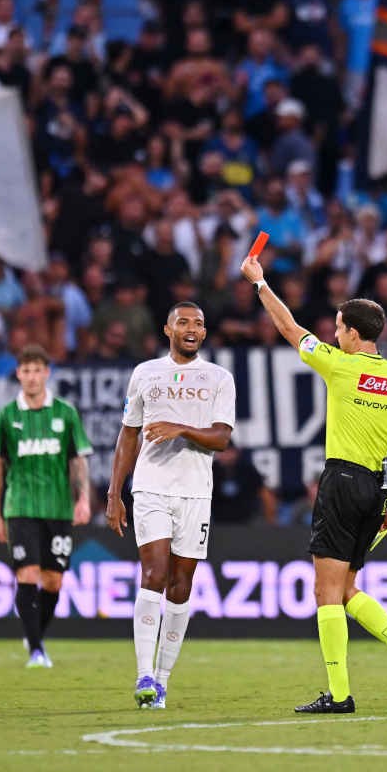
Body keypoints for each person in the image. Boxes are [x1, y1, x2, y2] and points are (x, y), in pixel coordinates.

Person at [241, 251, 387, 714]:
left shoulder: (341, 365)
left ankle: (341, 695)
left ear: (353, 333)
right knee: (345, 590)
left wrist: (260, 284)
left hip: (341, 482)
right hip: (376, 489)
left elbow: (288, 328)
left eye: (338, 327)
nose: (333, 334)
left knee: (325, 593)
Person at [106, 303, 236, 709]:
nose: (192, 328)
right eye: (184, 322)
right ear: (168, 329)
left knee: (181, 587)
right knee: (154, 574)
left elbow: (220, 438)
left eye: (199, 322)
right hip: (151, 488)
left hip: (197, 491)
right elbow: (129, 436)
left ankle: (161, 681)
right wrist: (114, 494)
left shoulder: (219, 378)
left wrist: (179, 427)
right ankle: (144, 674)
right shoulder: (145, 373)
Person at [0, 344, 92, 669]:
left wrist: (83, 499)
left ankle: (35, 636)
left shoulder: (65, 412)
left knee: (53, 581)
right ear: (18, 374)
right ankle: (36, 650)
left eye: (37, 371)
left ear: (47, 374)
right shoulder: (6, 416)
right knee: (27, 573)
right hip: (20, 505)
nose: (31, 377)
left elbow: (77, 461)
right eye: (26, 371)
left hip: (58, 508)